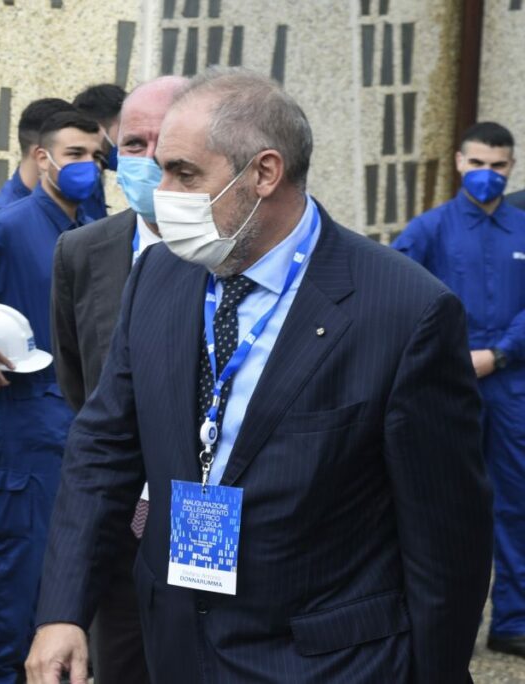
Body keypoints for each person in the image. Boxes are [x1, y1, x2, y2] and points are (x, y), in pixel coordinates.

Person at [27, 67, 492, 684]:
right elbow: (102, 449)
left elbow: (446, 539)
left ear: (264, 173)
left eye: (184, 173)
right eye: (159, 169)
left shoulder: (405, 311)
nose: (163, 194)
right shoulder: (158, 276)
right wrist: (62, 611)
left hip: (329, 662)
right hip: (174, 646)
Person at [49, 75, 186, 684]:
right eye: (133, 144)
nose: (149, 159)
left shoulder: (234, 252)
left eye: (166, 143)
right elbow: (80, 383)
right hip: (120, 517)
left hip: (207, 517)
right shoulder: (82, 252)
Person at [0, 111, 103, 684]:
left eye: (95, 155)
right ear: (41, 158)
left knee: (63, 590)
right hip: (27, 426)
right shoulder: (4, 227)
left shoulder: (92, 227)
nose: (88, 166)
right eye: (74, 154)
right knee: (12, 591)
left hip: (83, 424)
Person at [393, 121, 525, 658]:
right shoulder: (429, 230)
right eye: (478, 164)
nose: (487, 174)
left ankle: (513, 622)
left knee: (516, 505)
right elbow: (396, 294)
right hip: (447, 386)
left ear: (511, 167)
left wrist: (500, 353)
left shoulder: (523, 230)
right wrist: (445, 356)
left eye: (498, 166)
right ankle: (446, 629)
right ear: (459, 162)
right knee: (442, 506)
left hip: (512, 385)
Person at [0, 97, 77, 217]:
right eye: (74, 153)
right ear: (42, 156)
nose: (88, 163)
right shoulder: (4, 219)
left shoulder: (69, 201)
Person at [72, 83, 127, 221]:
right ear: (97, 130)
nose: (131, 137)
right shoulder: (79, 184)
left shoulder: (93, 177)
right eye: (124, 128)